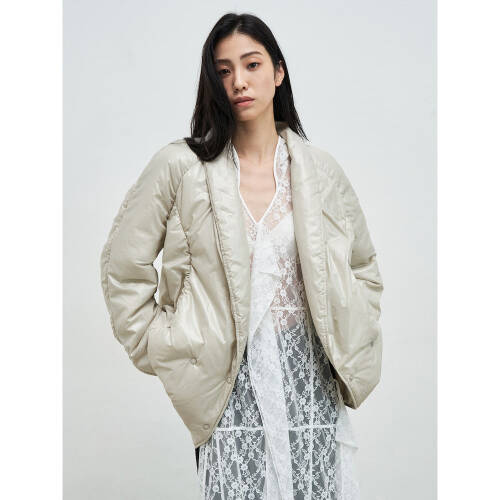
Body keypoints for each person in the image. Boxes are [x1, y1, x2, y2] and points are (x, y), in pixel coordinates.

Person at [100, 12, 384, 500]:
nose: (239, 82)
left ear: (278, 71)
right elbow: (122, 269)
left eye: (252, 65)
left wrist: (352, 330)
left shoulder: (319, 171)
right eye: (224, 71)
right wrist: (170, 346)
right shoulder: (181, 167)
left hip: (311, 388)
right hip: (226, 389)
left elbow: (364, 269)